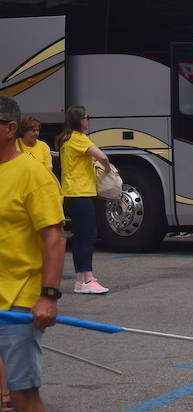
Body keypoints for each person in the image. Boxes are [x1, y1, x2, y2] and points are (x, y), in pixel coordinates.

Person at [0, 95, 66, 412]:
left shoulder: (32, 173)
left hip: (19, 301)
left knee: (23, 395)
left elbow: (54, 238)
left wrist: (48, 296)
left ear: (10, 129)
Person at [56, 105, 111, 294]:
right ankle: (87, 279)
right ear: (79, 120)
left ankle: (81, 279)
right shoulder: (79, 139)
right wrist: (107, 167)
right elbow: (102, 156)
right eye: (87, 117)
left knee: (80, 236)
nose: (88, 120)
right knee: (88, 234)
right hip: (81, 193)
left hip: (71, 194)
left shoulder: (66, 139)